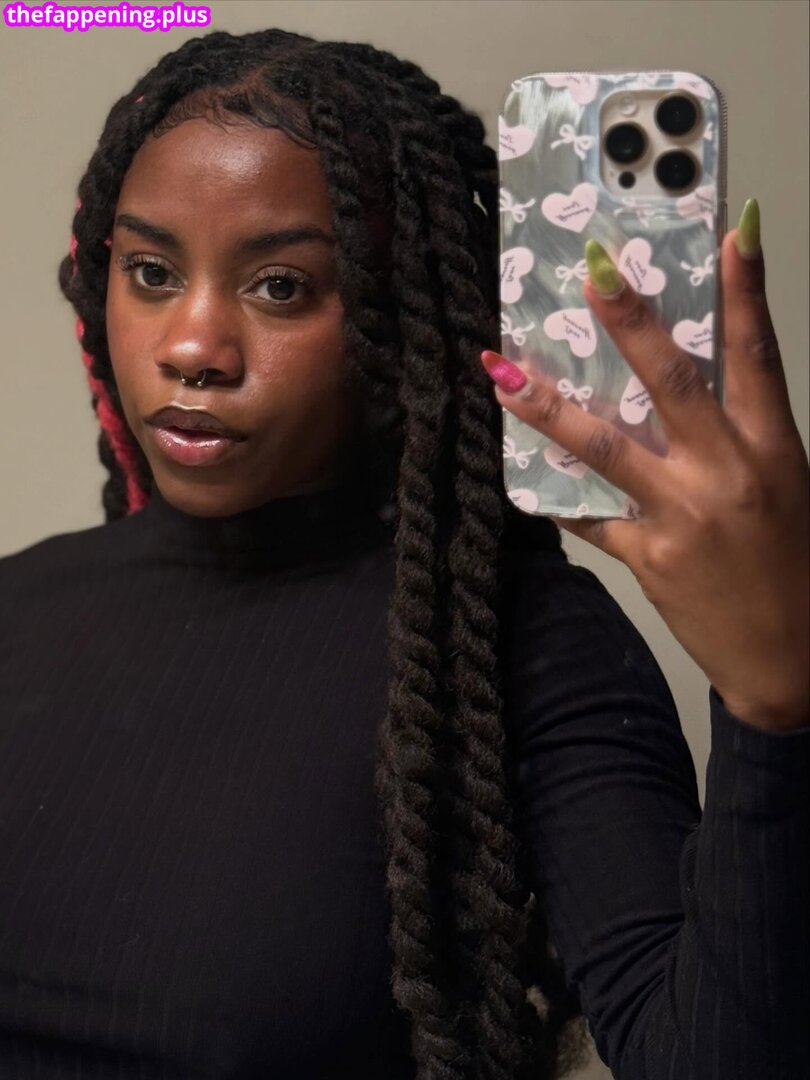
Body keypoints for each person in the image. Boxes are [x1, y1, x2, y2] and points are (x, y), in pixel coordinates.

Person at [0, 27, 807, 1080]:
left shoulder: (522, 644)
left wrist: (776, 706)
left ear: (399, 312)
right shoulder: (21, 605)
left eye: (281, 286)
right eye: (150, 271)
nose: (191, 347)